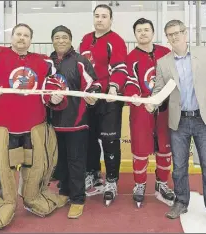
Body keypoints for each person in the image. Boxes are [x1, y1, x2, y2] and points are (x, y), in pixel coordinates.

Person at [0, 23, 68, 229]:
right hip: (2, 128)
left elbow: (52, 85)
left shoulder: (43, 61)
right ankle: (1, 204)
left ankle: (34, 197)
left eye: (26, 35)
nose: (22, 38)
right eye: (18, 34)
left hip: (33, 127)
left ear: (31, 40)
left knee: (37, 165)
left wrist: (55, 98)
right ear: (12, 37)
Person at [145, 20, 206, 226]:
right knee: (179, 167)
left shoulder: (205, 53)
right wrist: (152, 104)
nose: (175, 37)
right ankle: (181, 202)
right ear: (167, 38)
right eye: (170, 34)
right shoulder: (164, 62)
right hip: (179, 121)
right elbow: (159, 91)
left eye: (178, 32)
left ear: (185, 33)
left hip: (203, 119)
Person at [47, 25, 99, 218]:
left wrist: (92, 94)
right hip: (54, 122)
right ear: (52, 40)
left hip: (76, 121)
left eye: (65, 37)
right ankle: (64, 193)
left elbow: (94, 83)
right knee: (60, 162)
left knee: (76, 161)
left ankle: (78, 199)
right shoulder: (47, 63)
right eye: (57, 37)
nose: (61, 40)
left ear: (70, 40)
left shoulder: (80, 61)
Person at [79, 4, 128, 206]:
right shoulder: (85, 39)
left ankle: (111, 180)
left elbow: (119, 67)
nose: (100, 19)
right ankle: (93, 173)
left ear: (110, 19)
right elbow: (81, 68)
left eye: (104, 16)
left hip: (109, 98)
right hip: (89, 98)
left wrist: (114, 88)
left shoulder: (115, 40)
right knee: (89, 139)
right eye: (97, 16)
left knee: (109, 141)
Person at [124, 18, 175, 208]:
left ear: (153, 32)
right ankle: (140, 185)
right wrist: (136, 97)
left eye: (147, 30)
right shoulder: (131, 57)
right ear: (135, 34)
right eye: (139, 30)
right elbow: (129, 81)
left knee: (165, 147)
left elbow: (174, 78)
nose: (143, 33)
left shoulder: (165, 53)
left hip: (164, 110)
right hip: (141, 110)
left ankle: (162, 184)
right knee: (140, 148)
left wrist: (163, 98)